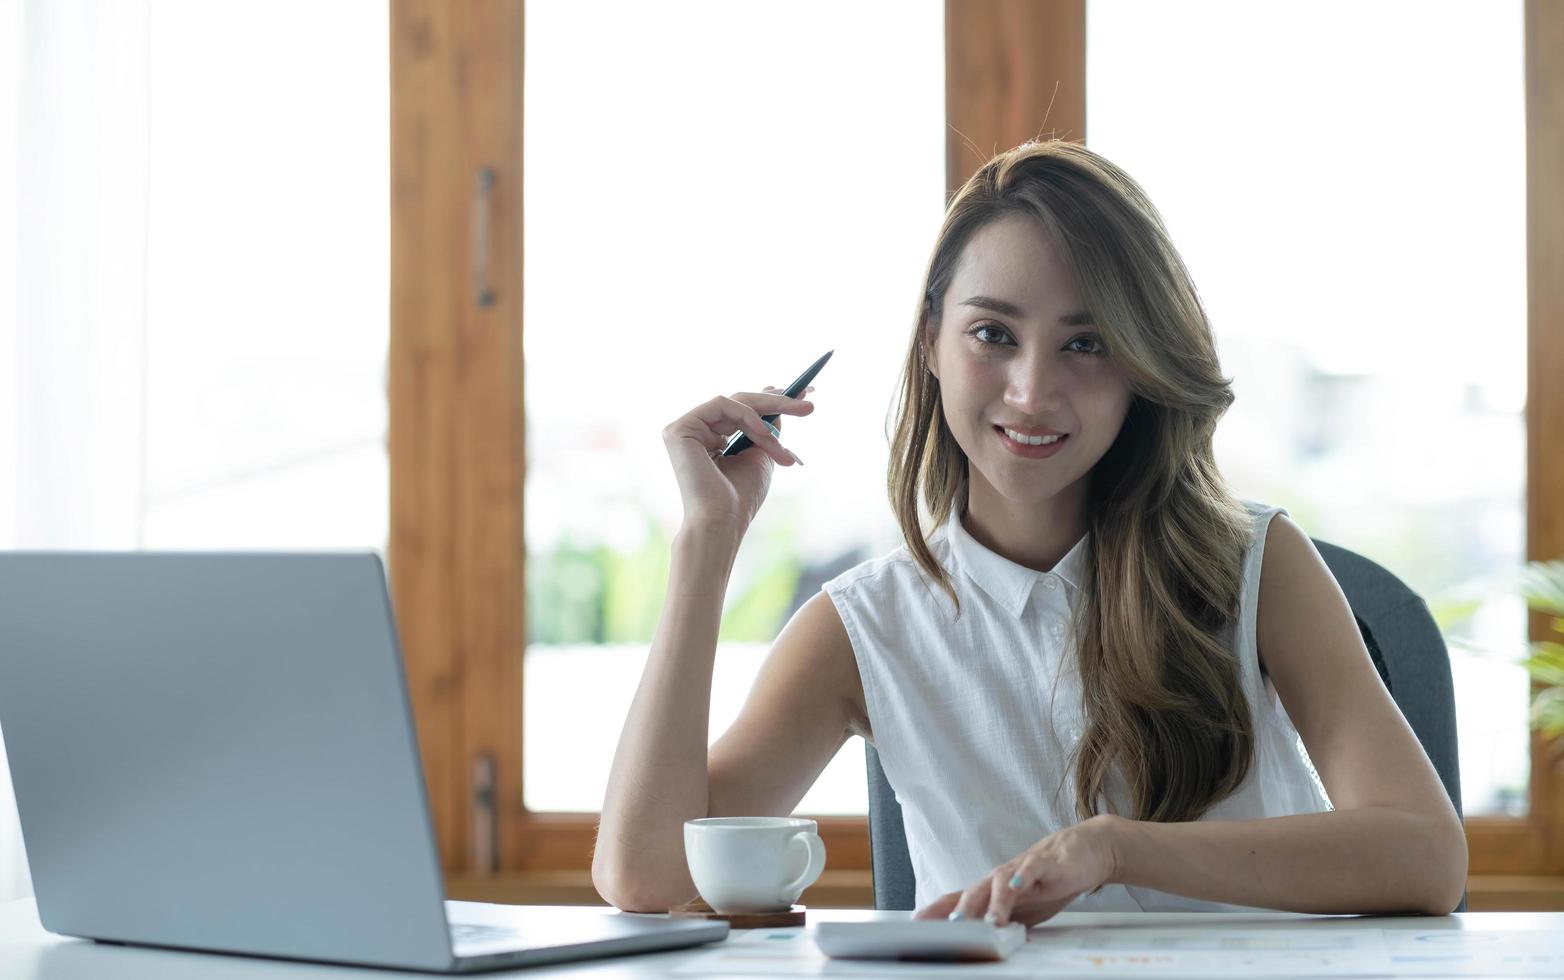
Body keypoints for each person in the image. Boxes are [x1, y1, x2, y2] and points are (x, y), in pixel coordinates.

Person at [590, 139, 1467, 925]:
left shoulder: (1256, 564)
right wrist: (706, 545)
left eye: (1085, 346)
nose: (1032, 392)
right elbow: (649, 877)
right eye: (992, 334)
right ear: (931, 341)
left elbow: (1425, 857)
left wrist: (1115, 848)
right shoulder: (864, 626)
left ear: (1142, 368)